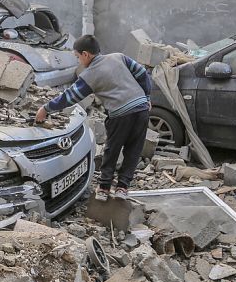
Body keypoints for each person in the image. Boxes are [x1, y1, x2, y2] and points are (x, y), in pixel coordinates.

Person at [35, 35, 151, 201]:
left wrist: (46, 109)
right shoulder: (118, 57)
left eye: (77, 57)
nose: (78, 61)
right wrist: (146, 97)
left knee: (112, 149)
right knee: (134, 149)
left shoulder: (90, 75)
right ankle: (122, 188)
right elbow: (142, 73)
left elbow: (69, 97)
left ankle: (104, 188)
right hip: (141, 110)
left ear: (85, 55)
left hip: (120, 114)